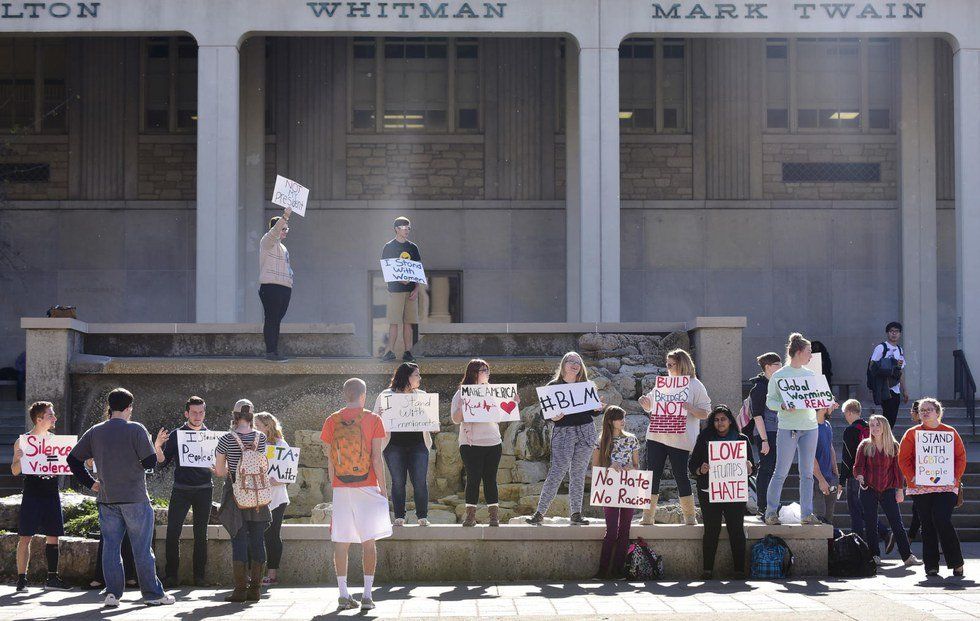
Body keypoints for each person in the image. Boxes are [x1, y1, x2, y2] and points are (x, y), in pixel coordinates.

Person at [66, 388, 174, 608]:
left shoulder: (95, 431)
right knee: (142, 549)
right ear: (128, 408)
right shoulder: (136, 429)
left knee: (111, 548)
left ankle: (113, 593)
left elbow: (73, 459)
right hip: (134, 497)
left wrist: (90, 483)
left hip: (107, 498)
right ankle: (152, 594)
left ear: (110, 406)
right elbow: (150, 463)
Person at [321, 378, 391, 611]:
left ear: (344, 395)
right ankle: (368, 596)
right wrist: (383, 488)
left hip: (341, 488)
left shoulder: (332, 420)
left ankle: (343, 594)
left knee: (342, 542)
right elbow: (376, 459)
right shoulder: (373, 419)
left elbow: (330, 458)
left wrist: (335, 485)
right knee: (368, 542)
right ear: (363, 395)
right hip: (367, 485)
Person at [764, 333, 837, 526]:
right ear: (798, 352)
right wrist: (782, 405)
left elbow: (820, 399)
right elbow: (770, 401)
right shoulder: (779, 376)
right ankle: (771, 512)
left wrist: (829, 405)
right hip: (788, 427)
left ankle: (807, 514)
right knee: (781, 471)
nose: (811, 356)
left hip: (810, 427)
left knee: (807, 473)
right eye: (808, 352)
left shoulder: (811, 375)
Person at [526, 352, 604, 526]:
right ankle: (540, 513)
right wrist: (552, 417)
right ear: (563, 365)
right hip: (563, 433)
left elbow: (593, 411)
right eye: (571, 361)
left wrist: (599, 408)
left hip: (586, 431)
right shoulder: (553, 386)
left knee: (578, 472)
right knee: (558, 470)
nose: (575, 364)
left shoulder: (586, 385)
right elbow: (544, 413)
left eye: (578, 362)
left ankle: (576, 513)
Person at [638, 349, 711, 526]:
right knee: (652, 475)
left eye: (671, 364)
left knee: (681, 476)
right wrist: (645, 403)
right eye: (667, 364)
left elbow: (706, 412)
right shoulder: (663, 384)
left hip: (681, 439)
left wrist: (690, 408)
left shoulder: (695, 385)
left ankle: (689, 517)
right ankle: (647, 517)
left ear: (682, 364)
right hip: (656, 436)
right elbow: (650, 405)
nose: (668, 367)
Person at [898, 398, 967, 577]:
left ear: (938, 412)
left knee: (942, 519)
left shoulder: (950, 432)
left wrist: (954, 477)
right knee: (927, 523)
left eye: (929, 409)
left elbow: (960, 457)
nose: (925, 412)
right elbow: (903, 458)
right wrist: (912, 476)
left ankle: (956, 562)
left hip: (946, 486)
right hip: (921, 486)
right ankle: (931, 565)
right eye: (922, 410)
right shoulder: (912, 434)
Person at [10, 401, 71, 592]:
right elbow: (14, 471)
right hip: (32, 492)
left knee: (53, 535)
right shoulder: (23, 440)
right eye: (50, 415)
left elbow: (64, 463)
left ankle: (52, 578)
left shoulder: (55, 440)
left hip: (51, 491)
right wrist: (19, 459)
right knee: (25, 535)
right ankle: (22, 579)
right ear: (39, 419)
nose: (54, 418)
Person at [689, 405, 755, 579]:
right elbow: (692, 465)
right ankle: (707, 570)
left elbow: (752, 467)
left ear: (730, 421)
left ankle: (740, 571)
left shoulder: (742, 439)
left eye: (723, 419)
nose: (720, 423)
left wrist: (750, 467)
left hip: (734, 492)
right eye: (716, 420)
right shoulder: (704, 438)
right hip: (709, 492)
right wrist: (700, 470)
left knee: (736, 529)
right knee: (711, 530)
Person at [214, 399, 271, 602]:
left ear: (235, 415)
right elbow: (261, 465)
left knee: (239, 540)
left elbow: (220, 471)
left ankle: (239, 591)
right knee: (257, 539)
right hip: (258, 496)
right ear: (252, 416)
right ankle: (255, 590)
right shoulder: (261, 438)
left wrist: (220, 469)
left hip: (235, 495)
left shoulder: (226, 439)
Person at [154, 396, 212, 588]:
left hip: (204, 489)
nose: (197, 416)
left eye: (201, 412)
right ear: (186, 413)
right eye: (194, 412)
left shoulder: (211, 435)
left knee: (201, 533)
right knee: (172, 532)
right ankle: (171, 575)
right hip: (181, 489)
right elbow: (162, 462)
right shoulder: (178, 434)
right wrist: (158, 446)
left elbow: (219, 465)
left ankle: (200, 576)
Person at [451, 359, 514, 527]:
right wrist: (464, 407)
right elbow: (455, 419)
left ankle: (494, 517)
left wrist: (513, 403)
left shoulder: (495, 393)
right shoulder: (461, 394)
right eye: (483, 370)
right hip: (470, 443)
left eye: (487, 369)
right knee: (473, 479)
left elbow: (504, 414)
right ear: (473, 373)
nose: (487, 372)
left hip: (493, 442)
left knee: (490, 479)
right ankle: (470, 516)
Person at [854, 414, 922, 567]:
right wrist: (860, 476)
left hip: (888, 489)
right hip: (868, 489)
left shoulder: (894, 446)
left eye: (878, 425)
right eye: (872, 425)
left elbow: (898, 471)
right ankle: (874, 555)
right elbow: (858, 466)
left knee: (897, 523)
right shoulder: (865, 445)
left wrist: (900, 489)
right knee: (871, 524)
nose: (875, 428)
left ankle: (907, 556)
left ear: (884, 427)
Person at [373, 362, 431, 526]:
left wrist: (433, 422)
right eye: (417, 375)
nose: (420, 378)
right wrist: (381, 415)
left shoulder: (422, 395)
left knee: (420, 480)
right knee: (398, 481)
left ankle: (422, 516)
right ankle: (399, 516)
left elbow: (429, 421)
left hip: (418, 444)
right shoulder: (386, 395)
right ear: (407, 377)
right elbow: (374, 419)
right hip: (393, 445)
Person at [592, 406, 640, 579]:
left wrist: (630, 468)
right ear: (611, 421)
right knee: (612, 530)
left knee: (625, 530)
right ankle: (602, 570)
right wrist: (609, 467)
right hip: (610, 489)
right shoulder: (601, 441)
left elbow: (636, 466)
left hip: (628, 488)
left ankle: (618, 571)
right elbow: (595, 468)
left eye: (623, 417)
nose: (623, 420)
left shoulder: (632, 439)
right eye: (619, 418)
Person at [839, 399, 892, 551]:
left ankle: (859, 547)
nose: (845, 417)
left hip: (856, 476)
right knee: (865, 510)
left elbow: (847, 458)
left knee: (856, 511)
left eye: (845, 414)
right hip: (873, 476)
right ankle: (884, 533)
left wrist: (842, 480)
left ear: (849, 412)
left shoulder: (850, 430)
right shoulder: (871, 427)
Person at [254, 412, 290, 587]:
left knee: (272, 535)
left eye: (258, 426)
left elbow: (290, 474)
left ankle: (272, 574)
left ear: (267, 427)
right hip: (257, 497)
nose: (255, 429)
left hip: (277, 497)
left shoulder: (282, 445)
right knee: (256, 535)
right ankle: (255, 573)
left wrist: (277, 480)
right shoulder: (254, 444)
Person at [380, 216, 422, 362]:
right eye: (405, 228)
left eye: (409, 228)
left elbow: (417, 270)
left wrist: (416, 289)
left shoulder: (413, 247)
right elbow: (386, 269)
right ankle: (389, 351)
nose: (407, 231)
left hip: (411, 291)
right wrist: (399, 279)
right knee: (394, 321)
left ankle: (408, 352)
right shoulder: (389, 247)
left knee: (408, 323)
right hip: (395, 291)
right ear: (397, 229)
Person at [259, 205, 293, 361]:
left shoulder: (283, 248)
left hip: (283, 288)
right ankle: (270, 352)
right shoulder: (267, 241)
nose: (285, 231)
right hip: (271, 287)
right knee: (272, 319)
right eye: (283, 228)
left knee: (277, 320)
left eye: (287, 229)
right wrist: (285, 216)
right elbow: (274, 233)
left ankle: (274, 350)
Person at [749, 352, 781, 517]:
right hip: (765, 433)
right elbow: (757, 415)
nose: (780, 367)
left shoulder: (777, 385)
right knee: (766, 468)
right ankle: (762, 505)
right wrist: (764, 440)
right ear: (768, 367)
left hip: (777, 431)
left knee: (775, 469)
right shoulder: (760, 388)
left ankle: (773, 504)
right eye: (777, 365)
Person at [868, 321, 909, 428]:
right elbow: (872, 366)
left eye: (896, 331)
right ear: (887, 333)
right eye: (891, 331)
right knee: (888, 416)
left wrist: (904, 390)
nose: (894, 334)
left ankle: (887, 440)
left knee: (892, 418)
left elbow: (900, 371)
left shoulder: (900, 349)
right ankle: (883, 440)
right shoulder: (881, 347)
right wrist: (887, 364)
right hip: (884, 387)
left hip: (895, 388)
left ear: (900, 334)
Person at [812, 404, 839, 525]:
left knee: (829, 520)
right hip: (816, 480)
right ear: (823, 407)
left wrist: (836, 473)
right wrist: (821, 480)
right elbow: (810, 457)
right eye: (831, 405)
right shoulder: (811, 428)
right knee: (819, 520)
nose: (834, 408)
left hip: (830, 477)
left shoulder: (827, 425)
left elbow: (830, 447)